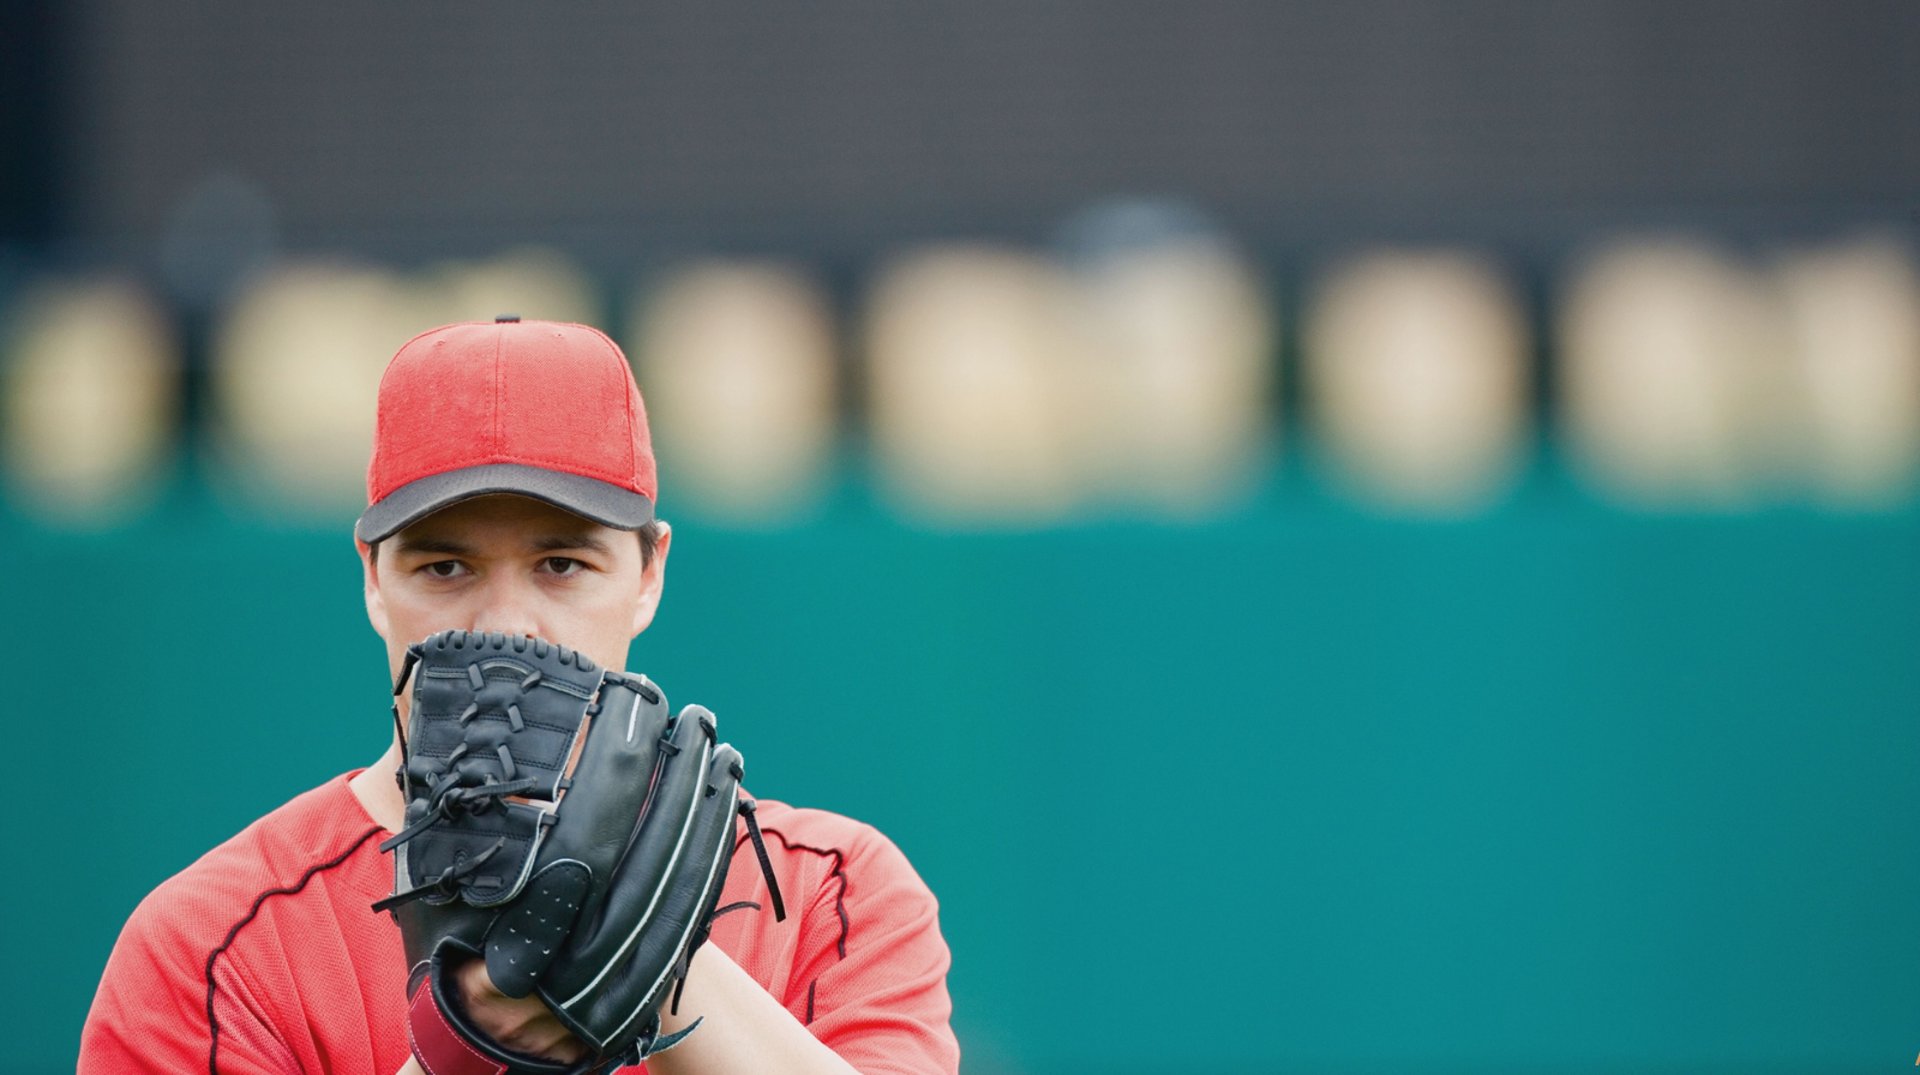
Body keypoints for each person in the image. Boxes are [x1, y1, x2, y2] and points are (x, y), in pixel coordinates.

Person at [79, 318, 960, 1074]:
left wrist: (660, 962)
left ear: (650, 571)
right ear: (373, 579)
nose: (509, 623)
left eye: (561, 563)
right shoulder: (211, 946)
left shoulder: (828, 891)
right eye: (446, 565)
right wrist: (454, 1051)